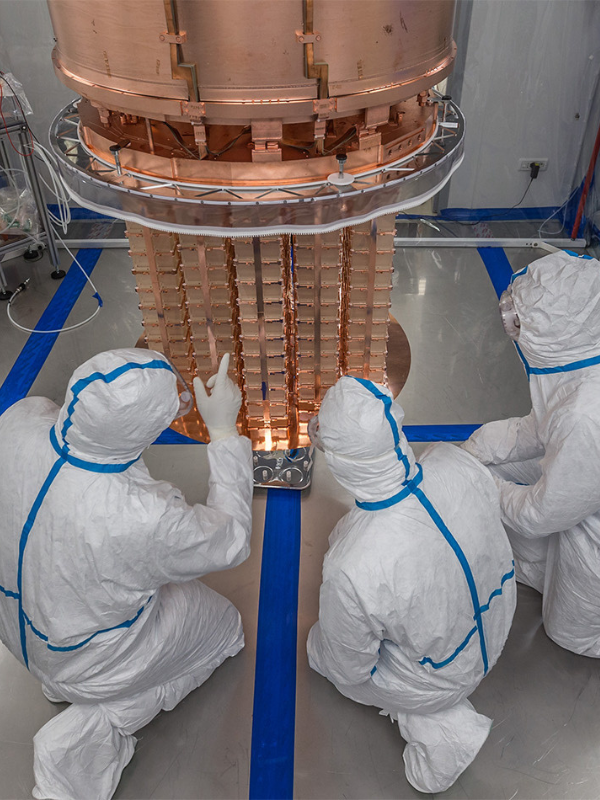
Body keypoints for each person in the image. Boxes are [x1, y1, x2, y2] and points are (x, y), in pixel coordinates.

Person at [0, 348, 253, 800]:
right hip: (94, 663)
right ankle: (94, 725)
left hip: (24, 633)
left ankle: (66, 682)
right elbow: (231, 540)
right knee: (225, 628)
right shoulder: (140, 516)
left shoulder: (17, 421)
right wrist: (222, 430)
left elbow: (95, 440)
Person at [306, 376, 516, 794]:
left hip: (445, 677)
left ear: (342, 462)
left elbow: (350, 665)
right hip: (500, 622)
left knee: (319, 651)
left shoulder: (353, 567)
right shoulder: (453, 462)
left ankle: (446, 732)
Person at [463, 250, 600, 657]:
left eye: (520, 321)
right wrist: (484, 445)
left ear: (555, 331)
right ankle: (544, 569)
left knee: (570, 634)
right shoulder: (582, 363)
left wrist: (486, 486)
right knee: (500, 463)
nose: (510, 325)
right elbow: (544, 425)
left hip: (587, 512)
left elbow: (545, 512)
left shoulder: (585, 417)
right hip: (582, 480)